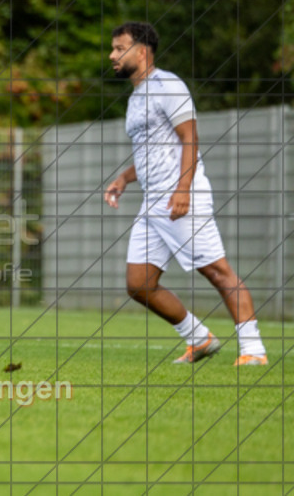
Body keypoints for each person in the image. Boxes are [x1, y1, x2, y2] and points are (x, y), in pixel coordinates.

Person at [103, 22, 267, 366]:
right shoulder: (136, 97)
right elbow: (151, 151)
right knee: (139, 284)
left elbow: (190, 138)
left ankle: (254, 350)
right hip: (153, 202)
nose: (112, 55)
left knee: (217, 270)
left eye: (119, 48)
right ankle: (200, 339)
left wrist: (183, 190)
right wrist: (124, 178)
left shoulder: (168, 85)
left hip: (179, 196)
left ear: (141, 52)